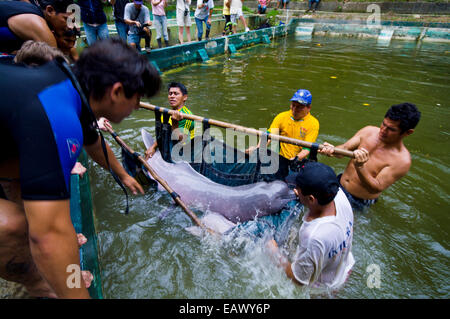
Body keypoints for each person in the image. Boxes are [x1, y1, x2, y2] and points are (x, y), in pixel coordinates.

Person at [0, 38, 161, 298]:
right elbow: (50, 236)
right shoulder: (57, 117)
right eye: (137, 98)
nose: (137, 107)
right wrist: (73, 286)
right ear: (117, 91)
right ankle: (41, 284)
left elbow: (93, 141)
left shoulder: (65, 82)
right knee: (15, 228)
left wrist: (122, 175)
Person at [266, 162, 355, 290]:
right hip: (345, 268)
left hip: (323, 287)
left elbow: (299, 279)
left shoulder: (314, 235)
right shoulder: (339, 195)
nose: (295, 190)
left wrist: (275, 254)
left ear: (312, 199)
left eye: (298, 188)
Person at [319, 103, 421, 212]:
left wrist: (360, 167)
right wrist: (332, 150)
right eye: (383, 124)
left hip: (358, 201)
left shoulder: (402, 160)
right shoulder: (369, 131)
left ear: (408, 132)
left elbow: (375, 188)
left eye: (391, 129)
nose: (383, 130)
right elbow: (344, 149)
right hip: (339, 184)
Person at [246, 89, 319, 181]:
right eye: (293, 105)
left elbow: (307, 148)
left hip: (299, 161)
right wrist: (258, 148)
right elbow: (268, 135)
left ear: (309, 108)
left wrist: (296, 158)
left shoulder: (313, 123)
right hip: (282, 158)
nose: (295, 109)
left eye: (300, 107)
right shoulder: (282, 117)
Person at [0, 0, 77, 59]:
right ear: (50, 11)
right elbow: (56, 66)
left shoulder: (33, 10)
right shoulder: (37, 23)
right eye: (66, 19)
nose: (70, 27)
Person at [145, 82, 195, 159]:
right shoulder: (167, 113)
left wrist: (175, 123)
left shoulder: (187, 116)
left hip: (184, 151)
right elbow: (163, 133)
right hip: (168, 144)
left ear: (184, 97)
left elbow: (180, 141)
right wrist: (153, 147)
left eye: (176, 94)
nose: (172, 96)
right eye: (170, 93)